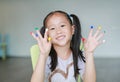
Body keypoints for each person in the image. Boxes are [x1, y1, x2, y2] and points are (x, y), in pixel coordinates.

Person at [30, 10, 104, 82]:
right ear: (47, 34)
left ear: (72, 29)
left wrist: (89, 53)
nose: (58, 31)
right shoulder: (46, 58)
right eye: (52, 28)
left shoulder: (79, 56)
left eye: (62, 26)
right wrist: (43, 55)